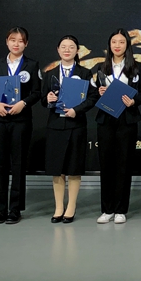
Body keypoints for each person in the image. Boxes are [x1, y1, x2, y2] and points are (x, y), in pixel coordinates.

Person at [0, 26, 41, 225]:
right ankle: (0, 209)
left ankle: (15, 209)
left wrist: (23, 103)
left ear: (26, 44)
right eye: (12, 40)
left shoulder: (32, 65)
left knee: (18, 164)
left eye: (20, 41)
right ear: (7, 42)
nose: (16, 44)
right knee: (0, 163)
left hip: (20, 120)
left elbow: (37, 92)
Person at [94, 28, 141, 225]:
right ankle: (107, 209)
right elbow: (94, 92)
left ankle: (120, 209)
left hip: (127, 120)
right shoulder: (101, 67)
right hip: (106, 120)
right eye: (114, 42)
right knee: (106, 165)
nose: (117, 45)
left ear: (127, 45)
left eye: (121, 42)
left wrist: (134, 101)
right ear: (109, 45)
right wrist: (99, 91)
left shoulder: (136, 67)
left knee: (124, 165)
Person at [42, 35, 97, 224]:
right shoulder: (50, 74)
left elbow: (92, 98)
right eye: (63, 47)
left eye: (71, 47)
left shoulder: (85, 73)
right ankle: (58, 207)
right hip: (55, 125)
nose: (67, 50)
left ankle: (71, 206)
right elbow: (42, 99)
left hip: (76, 124)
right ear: (58, 50)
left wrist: (77, 110)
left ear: (77, 50)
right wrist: (48, 99)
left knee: (74, 167)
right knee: (57, 169)